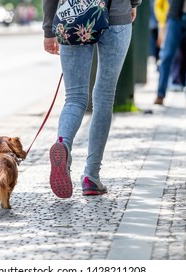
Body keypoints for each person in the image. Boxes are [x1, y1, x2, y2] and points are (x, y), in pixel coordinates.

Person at [42, 0, 142, 198]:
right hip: (117, 15)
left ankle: (63, 143)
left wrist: (48, 29)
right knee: (104, 98)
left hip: (73, 15)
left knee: (74, 97)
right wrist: (134, 4)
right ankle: (91, 177)